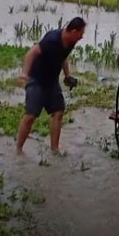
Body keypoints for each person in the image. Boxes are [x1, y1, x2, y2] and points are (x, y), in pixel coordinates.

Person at [15, 17, 85, 155]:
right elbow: (32, 52)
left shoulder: (71, 42)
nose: (82, 37)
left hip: (52, 81)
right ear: (73, 31)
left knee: (58, 112)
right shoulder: (52, 40)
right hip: (36, 80)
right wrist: (24, 73)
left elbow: (63, 57)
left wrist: (67, 76)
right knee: (31, 116)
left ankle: (54, 149)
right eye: (81, 33)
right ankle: (18, 149)